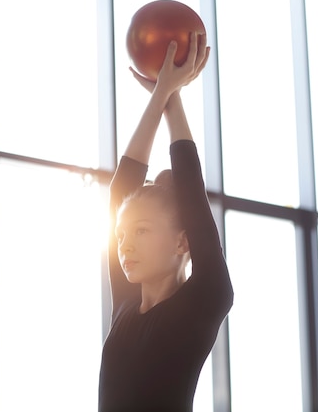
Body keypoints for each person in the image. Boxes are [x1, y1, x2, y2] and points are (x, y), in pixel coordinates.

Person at [98, 33, 234, 411]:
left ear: (182, 242)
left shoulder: (206, 297)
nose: (124, 244)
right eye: (122, 233)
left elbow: (191, 190)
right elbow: (120, 190)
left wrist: (171, 99)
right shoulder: (126, 301)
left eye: (141, 231)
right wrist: (161, 94)